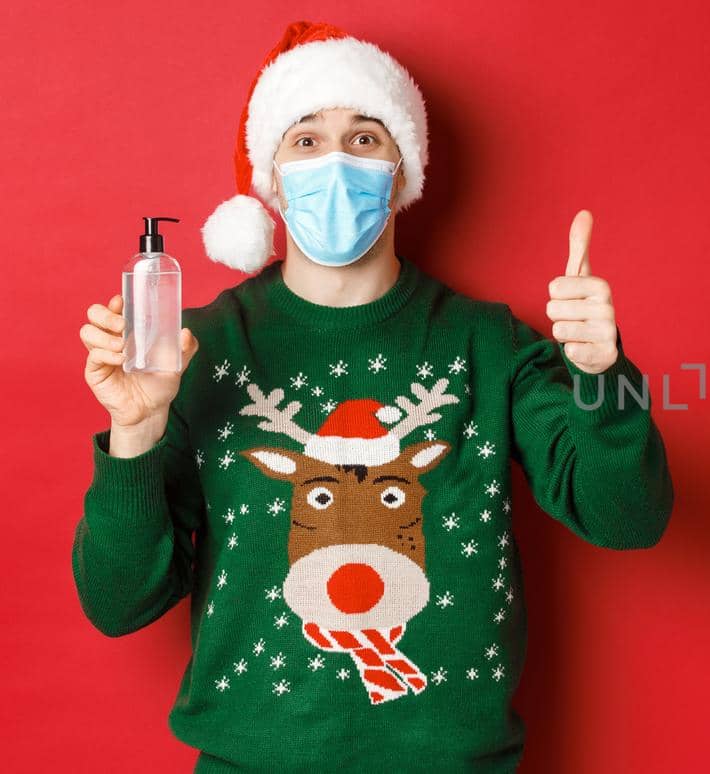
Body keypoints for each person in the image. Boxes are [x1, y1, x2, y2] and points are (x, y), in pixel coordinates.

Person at [71, 20, 673, 772]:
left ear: (403, 169)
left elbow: (627, 518)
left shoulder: (489, 344)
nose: (334, 162)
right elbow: (117, 603)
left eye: (364, 138)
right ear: (271, 177)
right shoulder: (192, 351)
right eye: (305, 139)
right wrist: (134, 432)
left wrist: (601, 378)